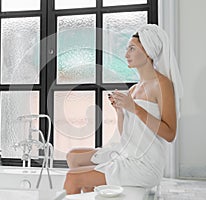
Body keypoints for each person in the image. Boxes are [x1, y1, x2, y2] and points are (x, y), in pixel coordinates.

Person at [63, 24, 183, 195]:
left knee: (72, 178)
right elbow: (126, 135)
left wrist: (134, 108)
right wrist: (120, 111)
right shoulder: (134, 89)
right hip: (127, 152)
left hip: (145, 163)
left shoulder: (162, 85)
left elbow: (170, 134)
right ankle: (91, 193)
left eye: (132, 49)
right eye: (127, 48)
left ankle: (87, 184)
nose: (126, 54)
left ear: (148, 52)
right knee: (73, 157)